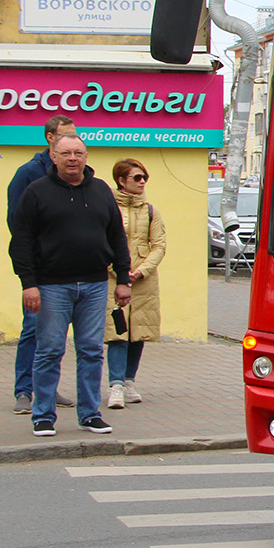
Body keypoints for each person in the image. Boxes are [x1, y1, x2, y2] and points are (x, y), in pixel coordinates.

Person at [9, 135, 131, 437]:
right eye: (65, 153)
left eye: (78, 153)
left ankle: (89, 414)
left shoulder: (102, 191)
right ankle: (43, 416)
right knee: (49, 351)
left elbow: (117, 236)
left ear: (86, 156)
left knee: (91, 351)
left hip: (94, 284)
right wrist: (29, 284)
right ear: (53, 156)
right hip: (51, 287)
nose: (72, 158)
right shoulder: (36, 192)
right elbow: (21, 241)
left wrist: (124, 279)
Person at [6, 114, 78, 415]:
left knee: (56, 333)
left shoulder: (75, 175)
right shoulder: (29, 173)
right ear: (50, 138)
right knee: (33, 328)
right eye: (65, 136)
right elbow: (16, 221)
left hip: (67, 268)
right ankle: (24, 390)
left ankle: (47, 387)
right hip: (39, 269)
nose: (71, 145)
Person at [105, 159, 167, 410]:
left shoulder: (151, 211)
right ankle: (116, 385)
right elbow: (101, 241)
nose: (142, 182)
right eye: (137, 178)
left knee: (138, 332)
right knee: (117, 332)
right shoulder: (108, 208)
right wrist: (118, 271)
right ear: (121, 181)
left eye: (144, 178)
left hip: (143, 281)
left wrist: (141, 271)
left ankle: (129, 382)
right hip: (113, 279)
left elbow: (159, 245)